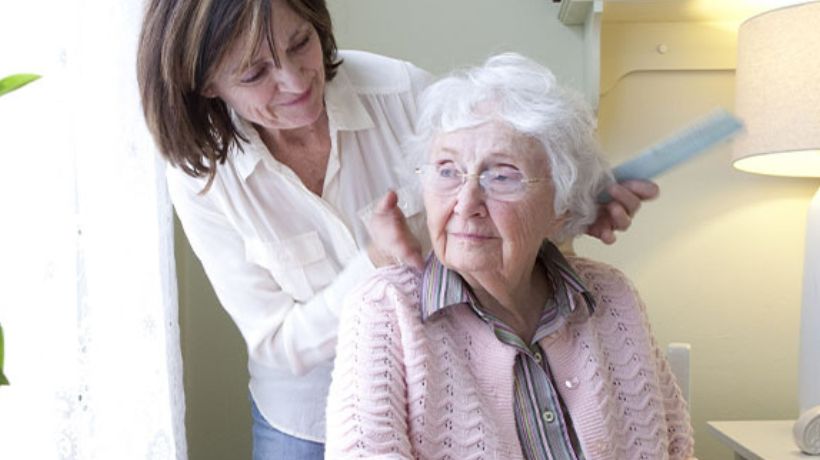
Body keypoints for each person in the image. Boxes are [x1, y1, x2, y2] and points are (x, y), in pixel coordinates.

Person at [137, 0, 659, 457]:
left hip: (439, 391)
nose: (296, 81)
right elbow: (276, 341)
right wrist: (375, 261)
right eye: (255, 74)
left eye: (301, 44)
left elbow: (490, 209)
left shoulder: (401, 90)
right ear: (207, 83)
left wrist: (571, 209)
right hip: (303, 418)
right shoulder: (202, 178)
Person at [325, 53, 694, 459]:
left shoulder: (612, 296)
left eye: (502, 174)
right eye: (447, 170)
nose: (466, 203)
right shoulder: (386, 309)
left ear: (562, 207)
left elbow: (675, 449)